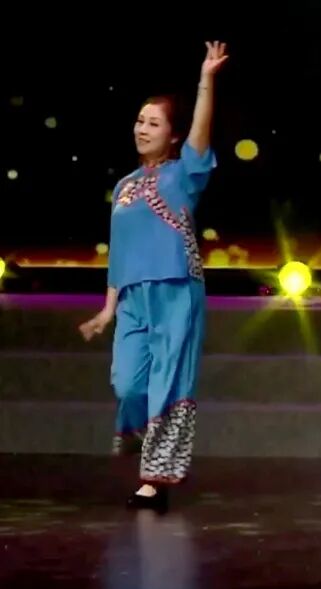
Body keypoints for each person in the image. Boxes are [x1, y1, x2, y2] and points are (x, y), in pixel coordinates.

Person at [79, 41, 228, 512]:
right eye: (140, 121)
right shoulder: (125, 185)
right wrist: (107, 309)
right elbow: (119, 253)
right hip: (132, 299)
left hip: (176, 290)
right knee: (127, 385)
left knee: (169, 383)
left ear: (174, 135)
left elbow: (201, 132)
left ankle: (155, 481)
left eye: (153, 123)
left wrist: (206, 81)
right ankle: (143, 438)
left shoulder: (185, 173)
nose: (142, 129)